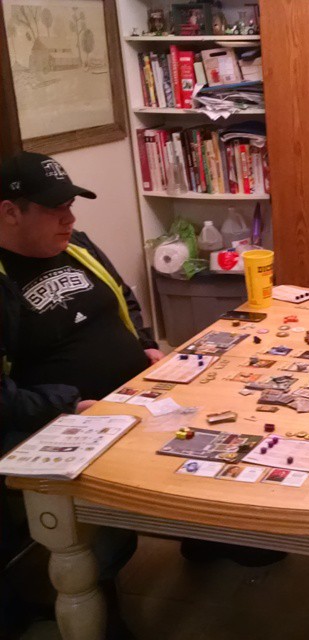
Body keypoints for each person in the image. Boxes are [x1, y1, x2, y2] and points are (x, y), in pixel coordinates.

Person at [0, 151, 162, 637]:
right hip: (58, 422)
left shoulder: (77, 244)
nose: (69, 219)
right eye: (55, 209)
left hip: (133, 394)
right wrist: (67, 406)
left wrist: (146, 345)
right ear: (10, 212)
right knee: (102, 528)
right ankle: (100, 601)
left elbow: (122, 295)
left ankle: (214, 538)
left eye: (70, 205)